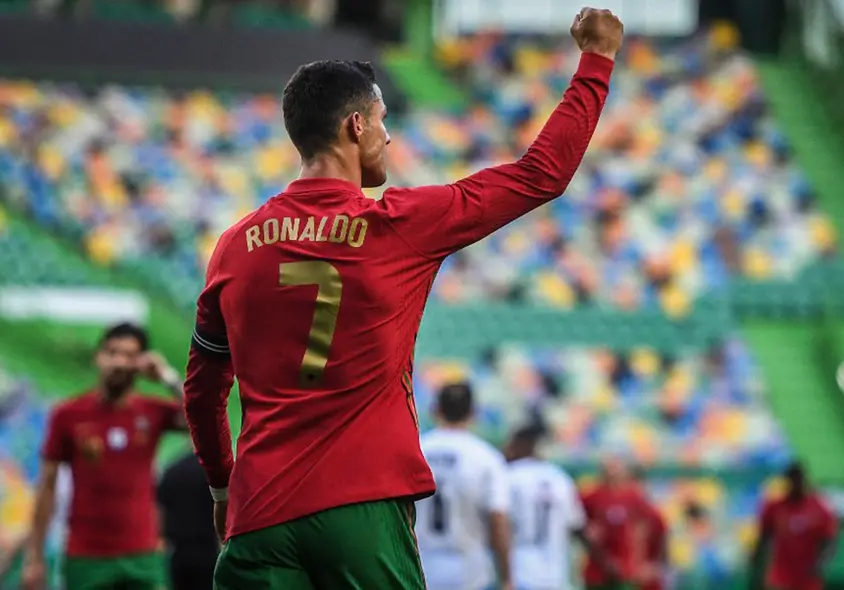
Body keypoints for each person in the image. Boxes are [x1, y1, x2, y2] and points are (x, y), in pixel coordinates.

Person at [181, 6, 622, 590]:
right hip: (361, 505)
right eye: (382, 118)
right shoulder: (400, 223)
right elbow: (541, 174)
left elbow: (203, 390)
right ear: (355, 127)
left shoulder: (234, 247)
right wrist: (597, 61)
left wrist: (220, 484)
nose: (388, 134)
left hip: (258, 516)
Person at [21, 323, 186, 590]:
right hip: (86, 556)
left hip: (143, 554)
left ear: (141, 363)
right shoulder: (68, 414)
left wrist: (167, 377)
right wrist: (34, 557)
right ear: (98, 356)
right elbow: (47, 487)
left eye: (129, 355)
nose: (119, 362)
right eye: (112, 352)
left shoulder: (153, 412)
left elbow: (203, 420)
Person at [415, 382, 512, 590]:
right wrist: (506, 576)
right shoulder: (486, 457)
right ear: (473, 413)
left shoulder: (417, 451)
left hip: (421, 566)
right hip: (470, 570)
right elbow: (498, 519)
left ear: (435, 410)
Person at [505, 425, 603, 590]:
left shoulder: (510, 476)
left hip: (520, 571)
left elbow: (497, 521)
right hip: (554, 575)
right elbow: (577, 527)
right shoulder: (560, 478)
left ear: (523, 444)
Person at [750, 462, 837, 590]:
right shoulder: (774, 508)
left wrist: (821, 563)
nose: (796, 484)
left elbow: (829, 541)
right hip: (781, 576)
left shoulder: (819, 509)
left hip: (807, 577)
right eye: (792, 479)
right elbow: (764, 538)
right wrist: (756, 562)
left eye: (799, 479)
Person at [581, 456, 650, 590]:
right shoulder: (592, 496)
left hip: (625, 567)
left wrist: (639, 560)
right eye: (608, 468)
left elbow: (643, 526)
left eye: (615, 468)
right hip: (598, 567)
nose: (612, 473)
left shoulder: (633, 496)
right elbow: (579, 523)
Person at [157, 452, 219, 590]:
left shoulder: (172, 470)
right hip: (208, 552)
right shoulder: (214, 472)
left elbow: (160, 513)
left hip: (179, 554)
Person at [630, 470, 669, 590]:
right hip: (623, 576)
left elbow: (663, 544)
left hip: (647, 579)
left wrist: (655, 566)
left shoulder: (653, 514)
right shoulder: (617, 513)